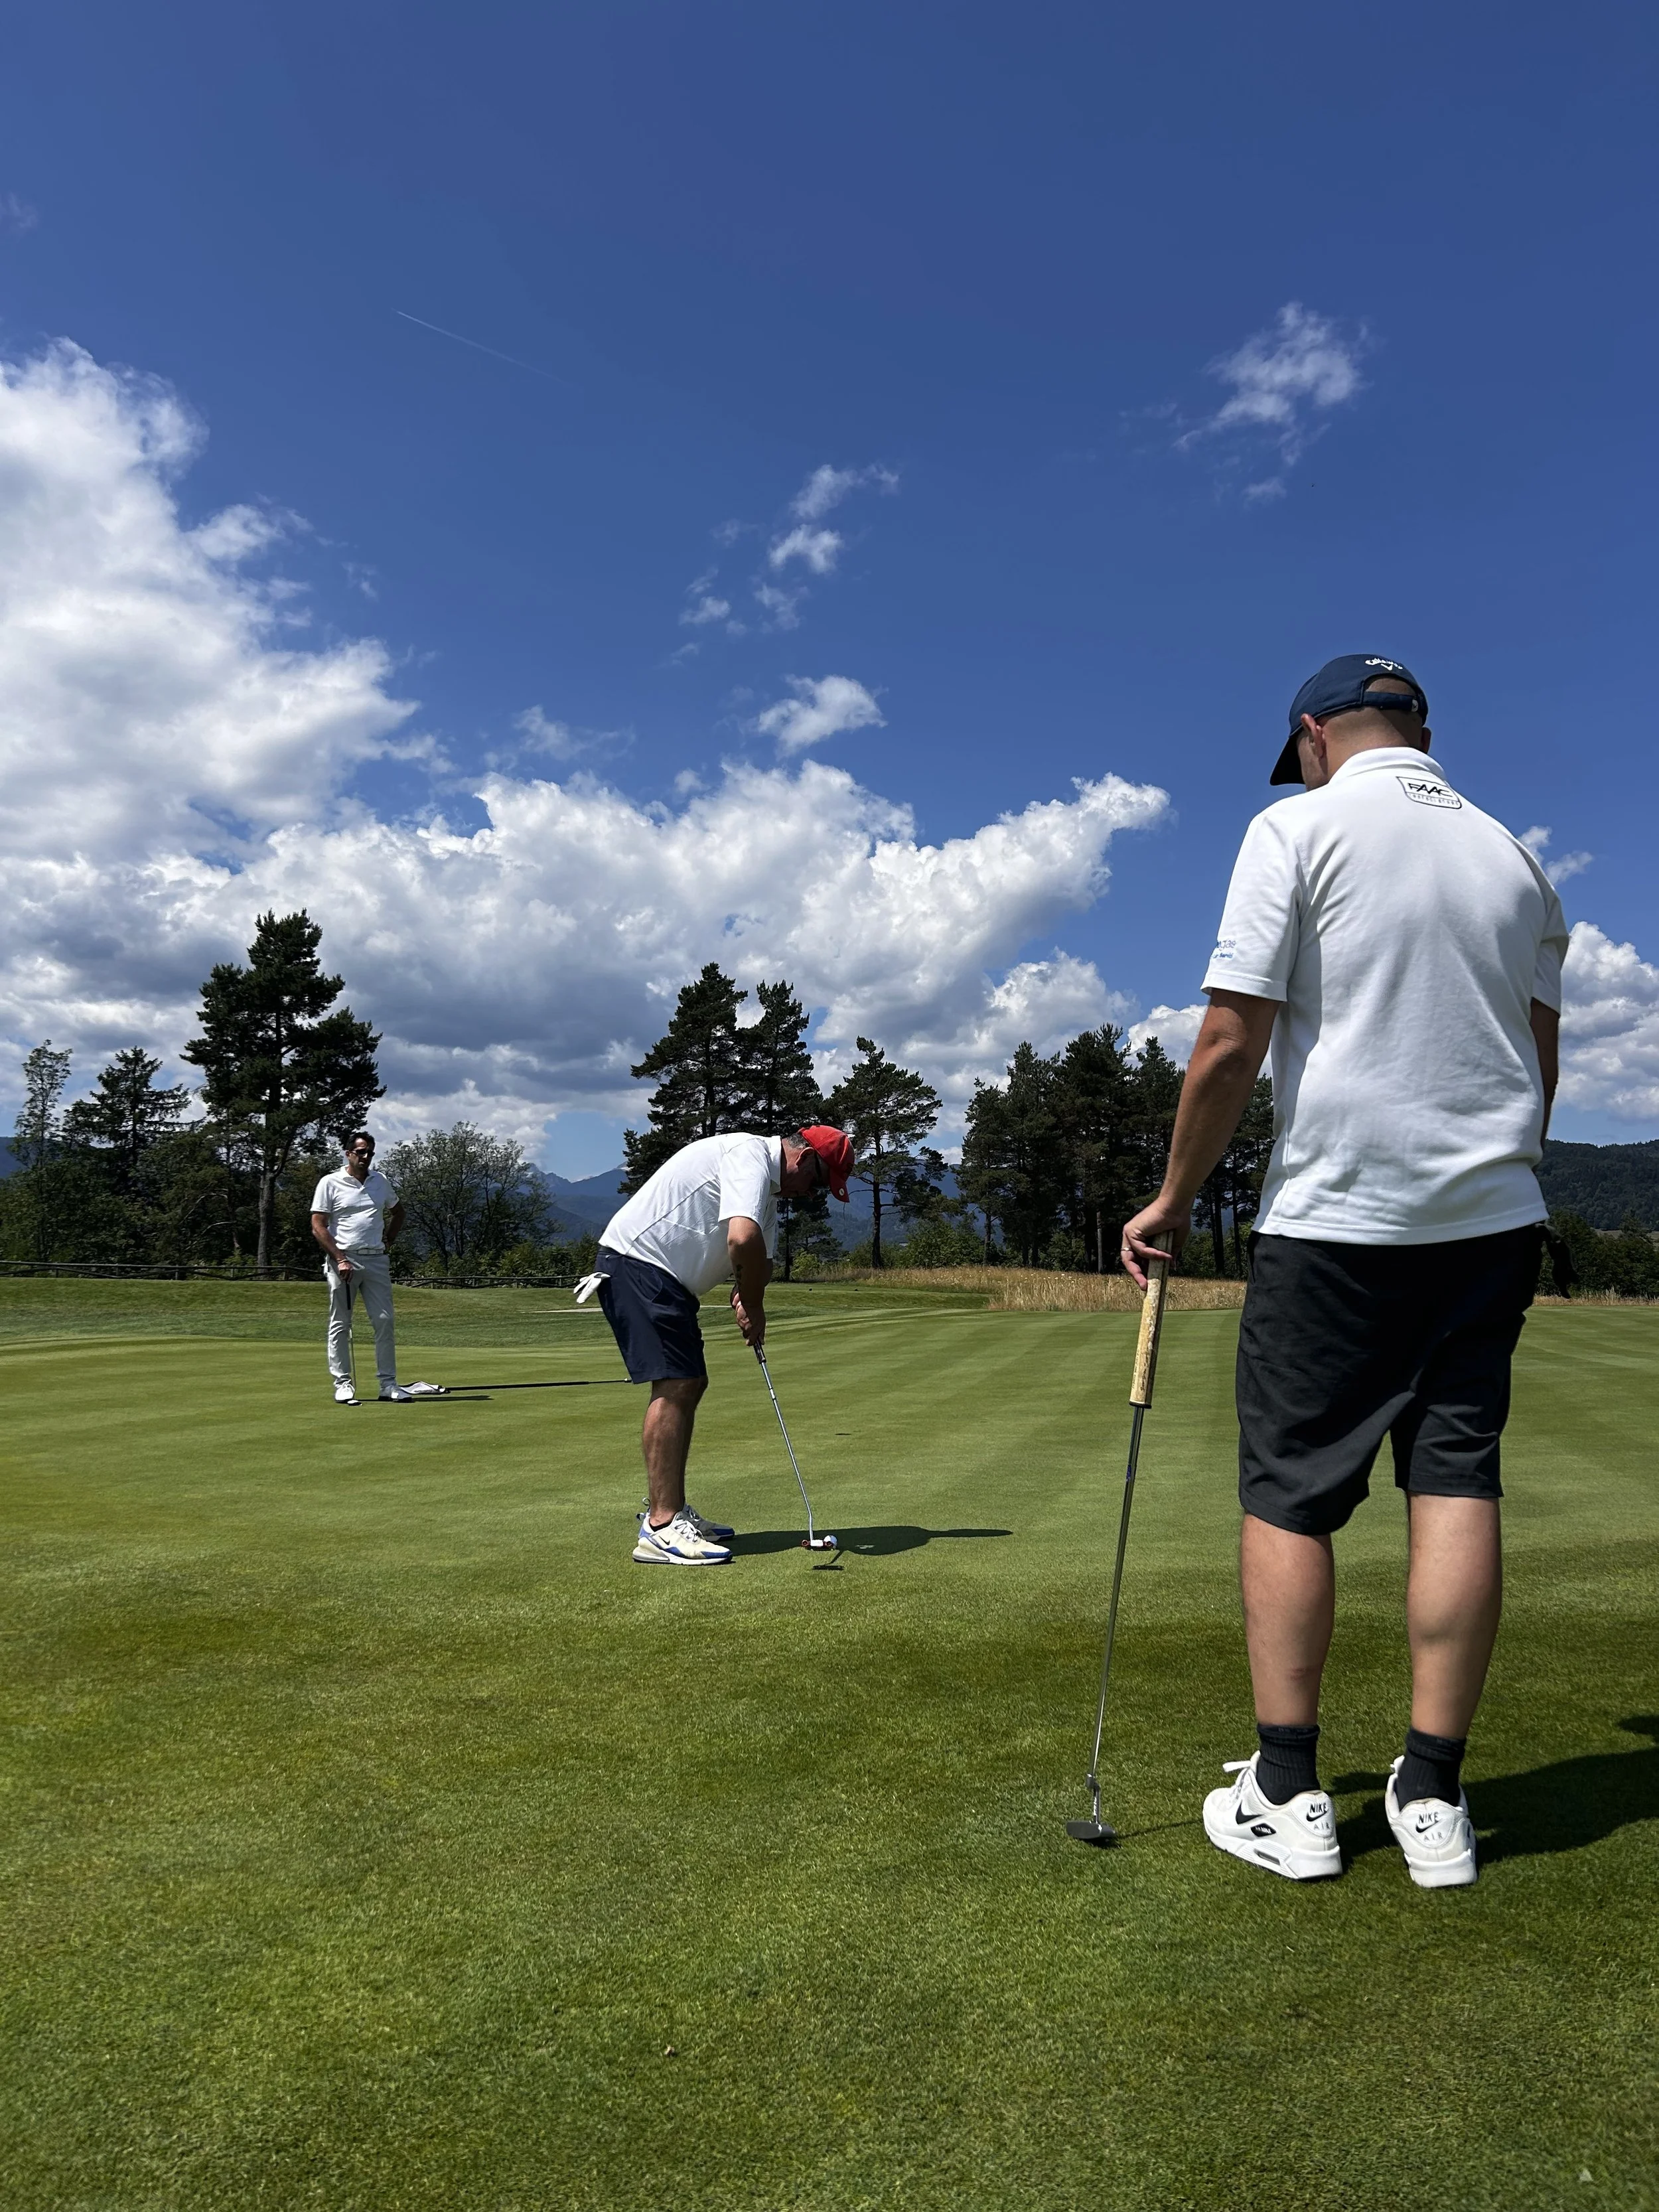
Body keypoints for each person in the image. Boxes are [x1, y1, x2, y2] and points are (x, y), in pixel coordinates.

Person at [1121, 654, 1569, 1889]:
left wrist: (1168, 1200)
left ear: (1314, 733)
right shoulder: (1517, 857)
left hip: (1338, 1221)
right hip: (1491, 1223)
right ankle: (1432, 1793)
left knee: (1291, 1492)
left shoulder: (1297, 826)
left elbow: (1228, 1037)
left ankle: (1288, 1787)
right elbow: (1538, 1059)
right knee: (1457, 1481)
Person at [581, 1126, 854, 1564]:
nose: (813, 1194)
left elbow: (757, 1261)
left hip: (663, 1278)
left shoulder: (766, 1192)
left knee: (690, 1381)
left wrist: (747, 1296)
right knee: (678, 1382)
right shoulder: (749, 1154)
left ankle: (670, 1507)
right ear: (804, 1160)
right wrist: (754, 1305)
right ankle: (661, 1525)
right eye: (820, 1183)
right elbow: (741, 1238)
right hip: (639, 1264)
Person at [309, 1132, 440, 1405]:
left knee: (384, 1321)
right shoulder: (330, 1182)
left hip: (377, 1259)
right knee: (341, 1324)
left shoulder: (380, 1181)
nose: (365, 1157)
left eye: (369, 1152)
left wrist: (389, 1239)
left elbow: (399, 1212)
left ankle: (388, 1384)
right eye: (360, 1152)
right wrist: (339, 1258)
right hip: (343, 1260)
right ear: (348, 1153)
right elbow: (318, 1226)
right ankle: (343, 1383)